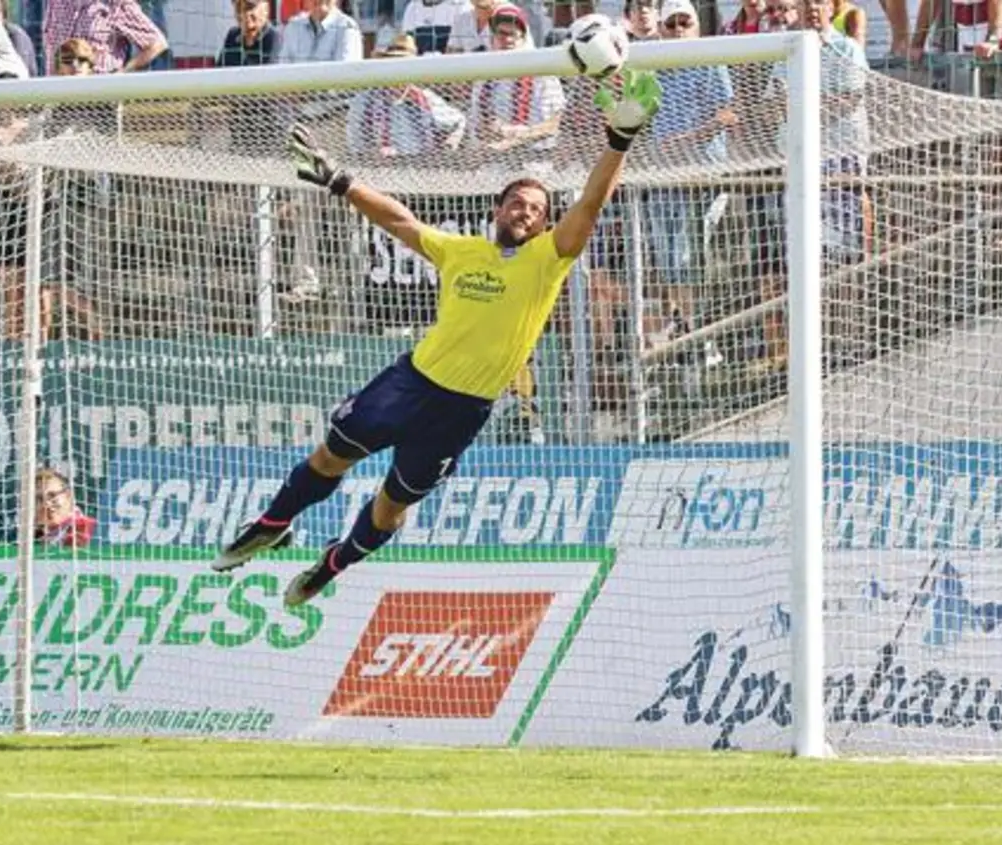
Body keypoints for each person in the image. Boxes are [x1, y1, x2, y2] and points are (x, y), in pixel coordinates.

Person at [211, 71, 663, 606]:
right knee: (331, 454)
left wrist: (620, 141)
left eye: (537, 209)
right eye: (517, 201)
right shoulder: (460, 250)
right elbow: (399, 220)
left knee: (391, 507)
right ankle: (274, 521)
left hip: (463, 410)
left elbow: (588, 205)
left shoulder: (548, 261)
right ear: (497, 209)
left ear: (545, 226)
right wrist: (340, 181)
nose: (526, 211)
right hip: (412, 381)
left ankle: (335, 561)